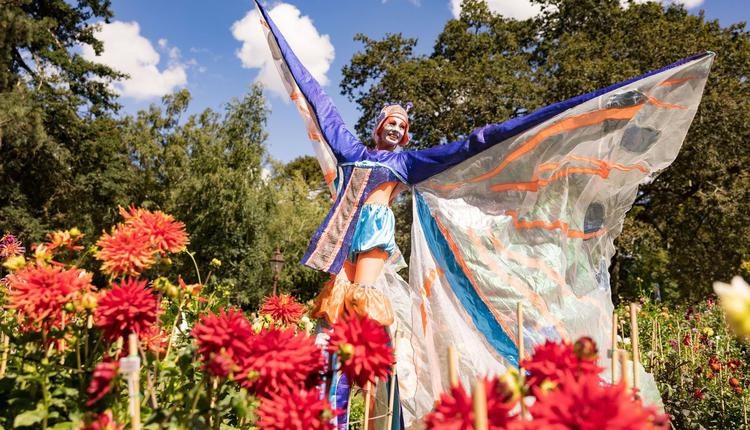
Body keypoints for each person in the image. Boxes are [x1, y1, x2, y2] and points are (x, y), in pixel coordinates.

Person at [253, 1, 714, 427]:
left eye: (402, 125)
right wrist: (277, 34)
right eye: (389, 123)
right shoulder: (350, 150)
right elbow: (318, 99)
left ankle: (371, 402)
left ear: (406, 135)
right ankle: (327, 406)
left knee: (360, 311)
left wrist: (526, 126)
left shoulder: (406, 164)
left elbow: (469, 147)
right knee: (332, 319)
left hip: (372, 233)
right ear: (376, 127)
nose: (395, 128)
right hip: (341, 239)